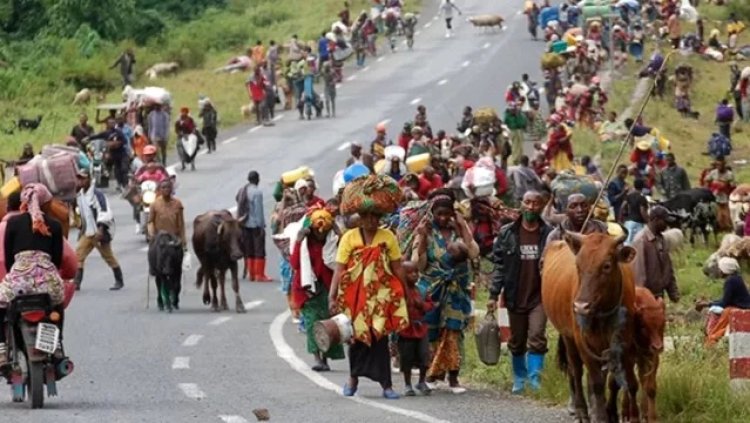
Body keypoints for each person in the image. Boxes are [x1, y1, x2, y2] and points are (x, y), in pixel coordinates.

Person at [328, 183, 408, 400]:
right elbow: (340, 269)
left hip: (380, 297)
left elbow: (397, 266)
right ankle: (353, 379)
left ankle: (386, 385)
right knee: (356, 339)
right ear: (360, 217)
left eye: (375, 216)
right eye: (367, 216)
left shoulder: (388, 237)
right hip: (354, 299)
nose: (371, 220)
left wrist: (406, 293)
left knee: (380, 338)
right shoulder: (349, 238)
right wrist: (332, 295)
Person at [413, 190, 479, 394]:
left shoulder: (459, 231)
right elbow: (419, 264)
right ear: (433, 213)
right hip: (432, 290)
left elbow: (474, 253)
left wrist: (463, 226)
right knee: (432, 333)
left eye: (447, 214)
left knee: (453, 331)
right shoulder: (425, 232)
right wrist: (422, 238)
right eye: (439, 214)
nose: (443, 218)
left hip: (456, 291)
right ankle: (431, 373)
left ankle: (453, 377)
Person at [489, 191, 552, 393]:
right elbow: (499, 265)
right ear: (521, 204)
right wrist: (493, 294)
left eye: (536, 203)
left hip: (539, 296)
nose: (531, 207)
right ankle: (519, 377)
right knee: (517, 339)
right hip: (515, 294)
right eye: (527, 202)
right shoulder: (507, 233)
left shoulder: (549, 234)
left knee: (537, 335)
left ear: (542, 206)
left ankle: (535, 380)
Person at [0, 184, 64, 364]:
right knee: (57, 303)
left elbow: (9, 257)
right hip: (47, 282)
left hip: (19, 281)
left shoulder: (12, 223)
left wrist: (20, 274)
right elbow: (57, 260)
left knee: (0, 306)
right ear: (45, 204)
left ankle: (2, 350)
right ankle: (57, 344)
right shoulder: (55, 225)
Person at [290, 206, 344, 371]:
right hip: (308, 289)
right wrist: (299, 241)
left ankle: (326, 357)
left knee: (329, 323)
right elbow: (295, 264)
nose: (320, 234)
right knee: (313, 323)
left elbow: (345, 254)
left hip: (328, 289)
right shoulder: (305, 243)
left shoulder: (332, 241)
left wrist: (339, 232)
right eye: (317, 231)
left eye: (324, 231)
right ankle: (317, 358)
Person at [74, 169, 120, 291]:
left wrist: (101, 229)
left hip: (98, 231)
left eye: (83, 178)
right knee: (78, 255)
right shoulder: (80, 194)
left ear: (89, 179)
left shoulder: (97, 194)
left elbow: (104, 210)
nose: (81, 181)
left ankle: (119, 280)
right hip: (88, 232)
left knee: (108, 256)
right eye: (79, 178)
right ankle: (76, 282)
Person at [148, 180, 186, 308]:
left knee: (177, 270)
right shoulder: (154, 204)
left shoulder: (177, 204)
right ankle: (161, 295)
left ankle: (175, 295)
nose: (166, 190)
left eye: (168, 187)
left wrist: (183, 241)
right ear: (159, 189)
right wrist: (152, 236)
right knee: (160, 271)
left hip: (174, 241)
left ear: (172, 189)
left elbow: (181, 224)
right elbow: (150, 222)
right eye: (163, 187)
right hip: (160, 240)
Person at [397, 261, 434, 396]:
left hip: (421, 327)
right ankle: (407, 384)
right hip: (406, 329)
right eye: (410, 273)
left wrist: (422, 305)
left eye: (416, 272)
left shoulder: (422, 290)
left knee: (425, 355)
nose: (414, 275)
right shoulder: (399, 290)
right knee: (407, 357)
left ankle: (421, 381)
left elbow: (430, 305)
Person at [631, 206, 680, 302]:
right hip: (647, 297)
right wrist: (642, 299)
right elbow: (639, 275)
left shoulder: (662, 239)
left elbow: (668, 267)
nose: (667, 225)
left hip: (659, 295)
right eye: (665, 222)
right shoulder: (641, 241)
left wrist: (673, 292)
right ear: (656, 220)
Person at [696, 257, 750, 345]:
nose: (719, 271)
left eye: (720, 269)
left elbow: (724, 303)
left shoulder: (730, 281)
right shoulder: (737, 278)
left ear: (724, 270)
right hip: (743, 308)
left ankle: (711, 340)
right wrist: (711, 302)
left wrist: (707, 304)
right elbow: (727, 299)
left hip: (737, 310)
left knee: (717, 326)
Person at [236, 171, 272, 282]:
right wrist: (261, 227)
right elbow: (259, 211)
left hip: (244, 224)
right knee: (259, 250)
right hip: (255, 225)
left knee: (249, 249)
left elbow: (237, 200)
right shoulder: (257, 192)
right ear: (257, 179)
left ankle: (251, 274)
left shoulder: (242, 190)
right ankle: (259, 275)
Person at [88, 117, 129, 192]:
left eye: (113, 123)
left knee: (124, 168)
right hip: (114, 154)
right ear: (107, 124)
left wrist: (117, 143)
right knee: (117, 169)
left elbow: (125, 141)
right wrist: (88, 138)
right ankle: (119, 184)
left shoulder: (118, 132)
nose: (112, 124)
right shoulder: (106, 133)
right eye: (110, 123)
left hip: (122, 153)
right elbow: (96, 136)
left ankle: (125, 184)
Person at [705, 156, 736, 231]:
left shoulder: (729, 174)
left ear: (724, 164)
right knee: (715, 214)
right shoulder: (713, 173)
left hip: (725, 198)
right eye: (717, 165)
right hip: (715, 197)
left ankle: (729, 228)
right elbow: (706, 179)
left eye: (720, 165)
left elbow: (733, 186)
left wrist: (725, 184)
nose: (719, 167)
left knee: (727, 216)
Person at [620, 179, 649, 245]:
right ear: (642, 187)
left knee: (626, 242)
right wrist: (647, 220)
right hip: (638, 223)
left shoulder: (629, 196)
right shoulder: (642, 198)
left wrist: (621, 218)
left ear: (634, 186)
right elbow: (642, 211)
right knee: (636, 243)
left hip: (628, 222)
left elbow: (622, 206)